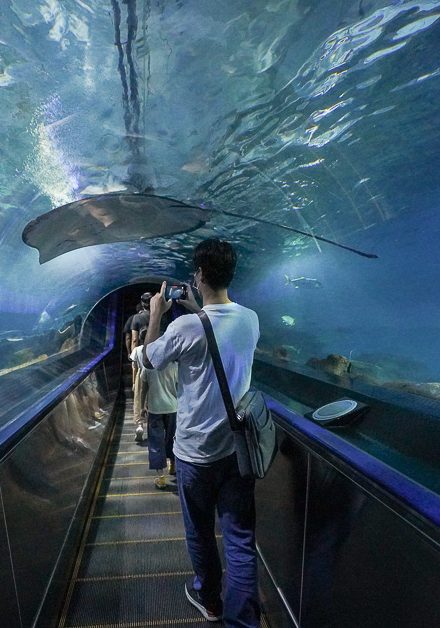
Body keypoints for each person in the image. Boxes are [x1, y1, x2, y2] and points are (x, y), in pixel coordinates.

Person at [142, 238, 261, 626]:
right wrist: (200, 311)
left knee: (200, 531)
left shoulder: (182, 327)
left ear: (199, 275)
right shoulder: (251, 319)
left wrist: (158, 314)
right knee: (240, 540)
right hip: (238, 450)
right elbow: (220, 337)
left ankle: (210, 600)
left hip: (195, 453)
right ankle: (242, 621)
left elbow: (148, 360)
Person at [131, 338, 178, 489]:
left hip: (155, 409)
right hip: (173, 409)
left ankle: (161, 477)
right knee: (173, 438)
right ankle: (173, 465)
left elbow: (143, 389)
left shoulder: (148, 368)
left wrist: (143, 407)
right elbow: (180, 388)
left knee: (156, 442)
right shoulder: (175, 366)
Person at [130, 293, 153, 442]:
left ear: (142, 303)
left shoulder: (136, 318)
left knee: (139, 396)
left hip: (141, 361)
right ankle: (156, 424)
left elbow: (133, 338)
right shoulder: (160, 315)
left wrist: (133, 354)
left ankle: (139, 425)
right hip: (158, 360)